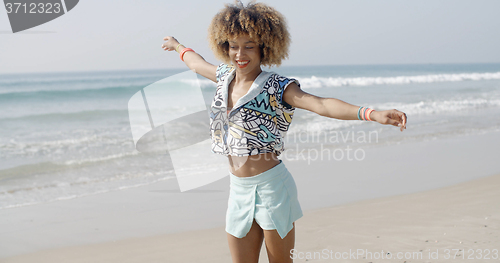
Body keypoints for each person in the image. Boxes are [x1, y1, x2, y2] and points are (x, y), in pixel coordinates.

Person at [161, 1, 407, 262]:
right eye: (234, 46)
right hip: (238, 188)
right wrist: (178, 46)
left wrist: (372, 114)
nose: (240, 54)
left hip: (272, 188)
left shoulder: (277, 86)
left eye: (249, 46)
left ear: (264, 48)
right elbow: (197, 64)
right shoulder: (224, 76)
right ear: (225, 46)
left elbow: (321, 104)